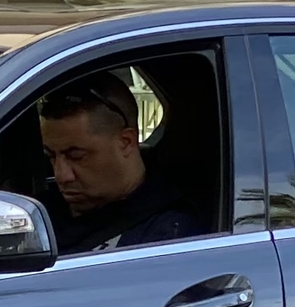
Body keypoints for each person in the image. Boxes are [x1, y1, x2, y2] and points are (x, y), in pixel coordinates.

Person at [38, 74, 204, 252]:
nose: (61, 175)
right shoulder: (39, 213)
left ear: (126, 142)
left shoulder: (168, 235)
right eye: (51, 156)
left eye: (77, 156)